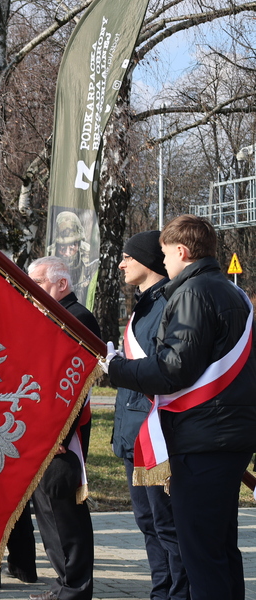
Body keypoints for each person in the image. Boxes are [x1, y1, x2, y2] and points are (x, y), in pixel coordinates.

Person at [106, 215, 256, 600]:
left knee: (200, 555)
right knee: (221, 550)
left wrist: (117, 368)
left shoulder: (193, 293)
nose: (164, 262)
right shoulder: (231, 292)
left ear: (181, 251)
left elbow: (174, 368)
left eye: (165, 254)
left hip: (203, 438)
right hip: (228, 434)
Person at [111, 231, 188, 600]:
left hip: (154, 433)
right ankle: (162, 591)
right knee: (147, 522)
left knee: (166, 525)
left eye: (128, 256)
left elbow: (165, 368)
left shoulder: (167, 304)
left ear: (148, 261)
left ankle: (177, 594)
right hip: (134, 432)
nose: (122, 263)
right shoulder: (143, 304)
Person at [24, 256, 97, 600]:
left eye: (38, 283)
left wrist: (60, 436)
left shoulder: (78, 318)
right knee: (49, 511)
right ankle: (64, 584)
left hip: (62, 438)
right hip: (44, 433)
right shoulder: (51, 316)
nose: (31, 290)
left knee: (65, 511)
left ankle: (75, 587)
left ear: (62, 284)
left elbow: (74, 386)